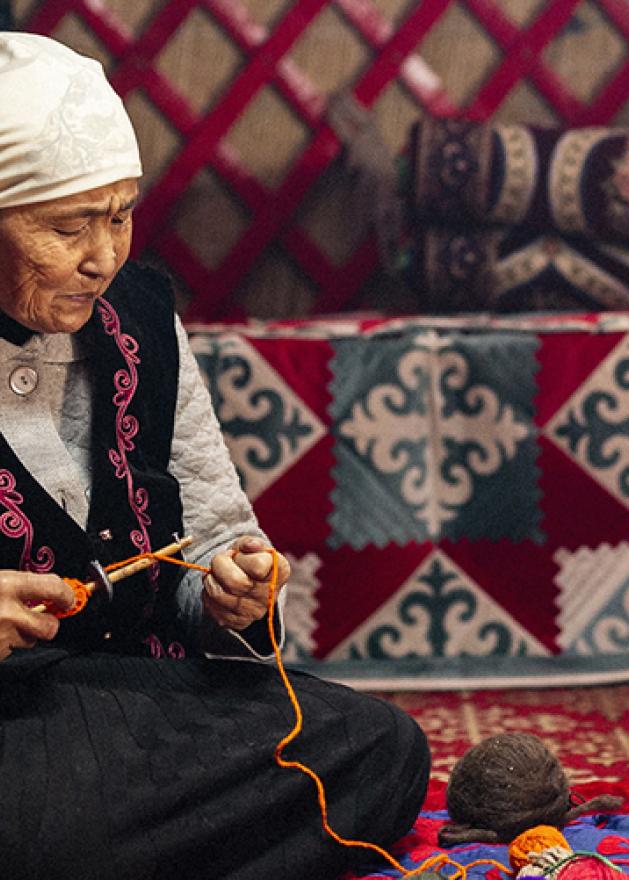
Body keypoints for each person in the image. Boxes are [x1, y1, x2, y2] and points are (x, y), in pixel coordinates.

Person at [0, 32, 429, 879]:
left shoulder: (141, 325)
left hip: (133, 710)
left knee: (381, 748)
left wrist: (229, 589)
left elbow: (209, 541)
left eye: (121, 216)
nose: (102, 257)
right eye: (67, 225)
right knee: (48, 824)